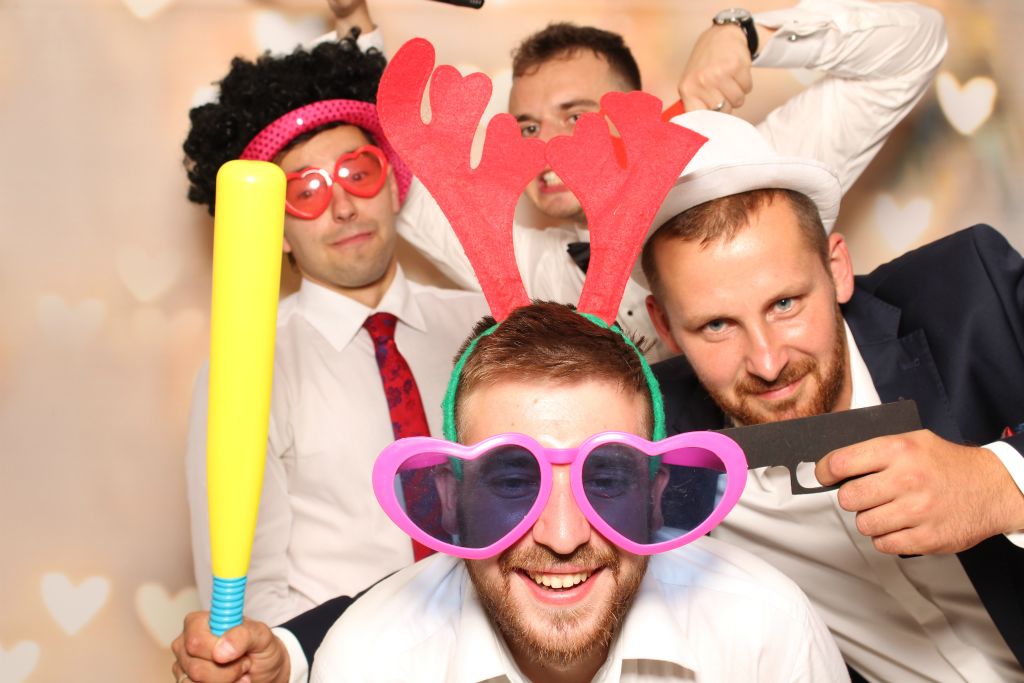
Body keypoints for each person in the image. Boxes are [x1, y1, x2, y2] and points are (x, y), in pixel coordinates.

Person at [639, 110, 1024, 680]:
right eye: (716, 325)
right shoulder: (651, 438)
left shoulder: (974, 291)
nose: (767, 362)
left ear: (837, 269)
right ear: (665, 327)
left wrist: (1000, 485)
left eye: (785, 304)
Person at [307, 301, 848, 682]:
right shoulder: (368, 663)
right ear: (451, 501)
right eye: (514, 481)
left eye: (606, 478)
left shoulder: (766, 628)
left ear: (655, 496)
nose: (563, 537)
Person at [390, 0, 947, 361]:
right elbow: (400, 179)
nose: (547, 147)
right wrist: (357, 31)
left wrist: (748, 34)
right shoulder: (536, 271)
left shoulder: (755, 177)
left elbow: (916, 49)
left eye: (576, 116)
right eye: (528, 127)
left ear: (634, 112)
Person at [182, 36, 488, 630]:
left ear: (396, 186)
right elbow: (249, 600)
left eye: (359, 173)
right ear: (275, 230)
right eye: (306, 192)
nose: (343, 207)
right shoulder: (246, 369)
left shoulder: (485, 328)